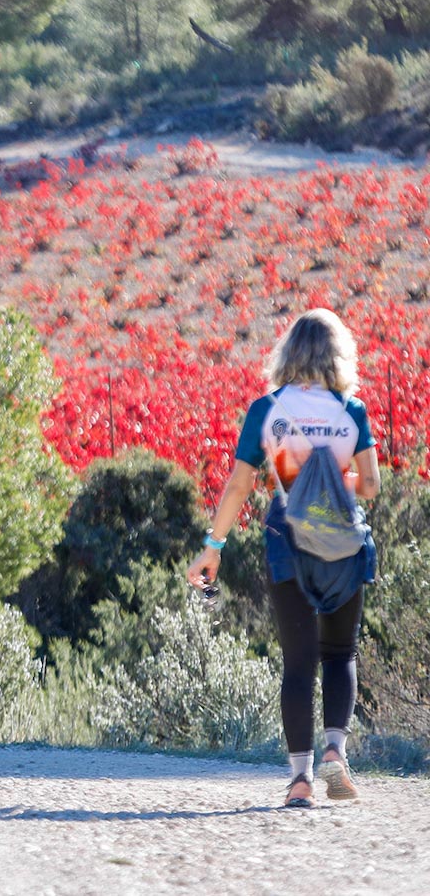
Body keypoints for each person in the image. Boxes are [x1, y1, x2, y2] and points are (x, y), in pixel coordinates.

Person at [186, 309, 381, 808]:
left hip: (286, 540)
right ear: (339, 354)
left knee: (298, 665)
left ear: (288, 353)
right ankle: (336, 750)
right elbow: (372, 486)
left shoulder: (267, 409)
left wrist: (215, 546)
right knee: (340, 653)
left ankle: (301, 781)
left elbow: (239, 484)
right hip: (341, 540)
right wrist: (334, 483)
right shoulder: (351, 411)